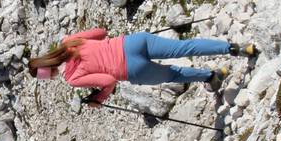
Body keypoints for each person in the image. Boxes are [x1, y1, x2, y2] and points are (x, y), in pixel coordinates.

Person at [27, 27, 257, 104]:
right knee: (184, 47)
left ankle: (210, 76)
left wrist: (98, 98)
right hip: (132, 43)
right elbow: (101, 32)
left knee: (173, 74)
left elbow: (108, 81)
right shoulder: (69, 42)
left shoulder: (72, 78)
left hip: (131, 69)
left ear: (49, 73)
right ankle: (235, 49)